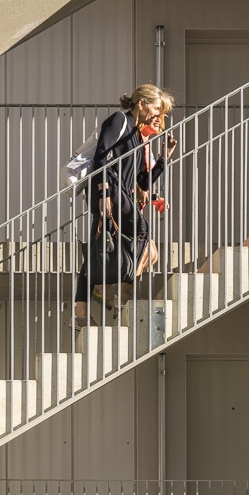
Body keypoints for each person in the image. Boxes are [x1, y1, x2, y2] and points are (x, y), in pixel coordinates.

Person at [72, 84, 178, 330]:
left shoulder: (138, 136)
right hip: (110, 192)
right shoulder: (119, 120)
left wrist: (164, 159)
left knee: (99, 250)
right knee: (143, 231)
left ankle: (81, 312)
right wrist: (104, 193)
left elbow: (141, 181)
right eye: (156, 108)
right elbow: (101, 157)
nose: (157, 116)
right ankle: (121, 292)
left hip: (124, 195)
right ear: (140, 102)